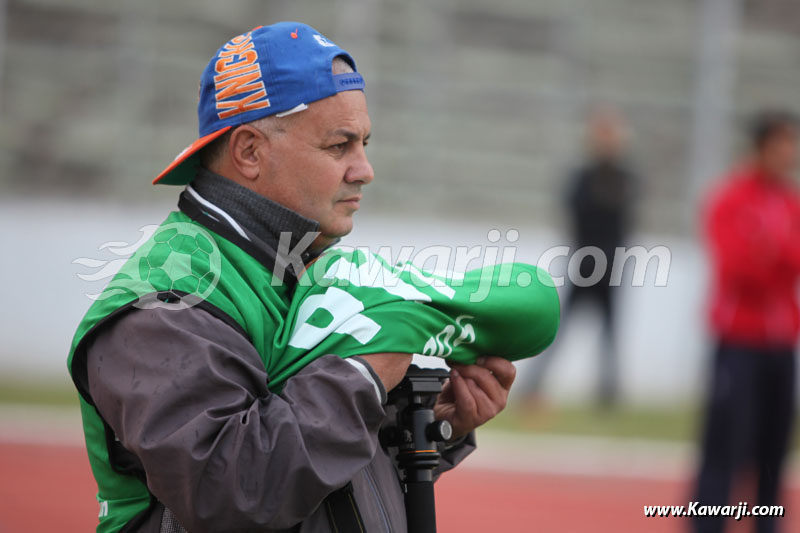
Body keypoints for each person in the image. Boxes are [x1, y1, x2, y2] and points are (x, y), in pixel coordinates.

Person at [67, 23, 549, 532]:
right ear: (250, 151)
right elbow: (231, 493)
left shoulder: (298, 261)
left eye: (364, 143)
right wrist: (365, 374)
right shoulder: (165, 299)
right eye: (339, 146)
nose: (364, 169)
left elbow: (322, 472)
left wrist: (430, 422)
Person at [694, 110, 800, 533]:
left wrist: (773, 256)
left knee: (775, 447)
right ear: (761, 147)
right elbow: (738, 267)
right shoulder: (731, 198)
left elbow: (789, 262)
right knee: (725, 443)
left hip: (782, 342)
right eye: (782, 143)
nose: (789, 153)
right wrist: (778, 260)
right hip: (739, 339)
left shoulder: (791, 202)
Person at [523, 106, 637, 408]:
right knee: (558, 329)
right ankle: (533, 386)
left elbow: (623, 215)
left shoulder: (625, 177)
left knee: (610, 334)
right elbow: (576, 212)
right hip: (585, 264)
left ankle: (608, 396)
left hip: (612, 266)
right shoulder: (583, 176)